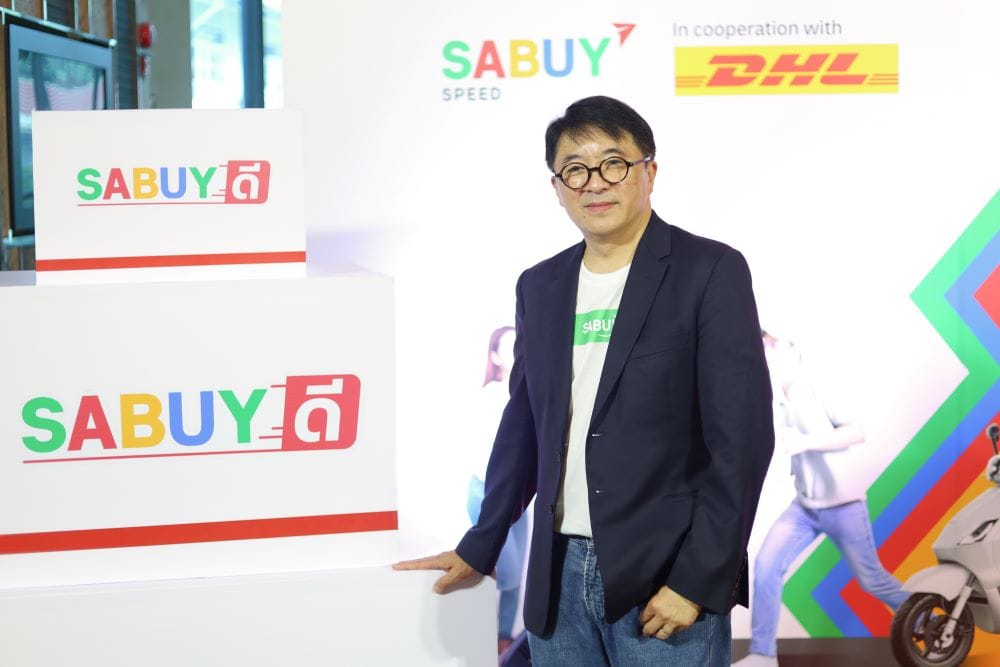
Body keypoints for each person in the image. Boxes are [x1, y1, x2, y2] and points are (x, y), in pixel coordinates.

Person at [395, 96, 774, 666]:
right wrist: (483, 541)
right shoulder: (540, 285)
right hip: (558, 578)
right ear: (557, 186)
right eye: (575, 169)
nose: (594, 182)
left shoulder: (709, 271)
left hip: (664, 576)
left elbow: (742, 442)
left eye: (613, 163)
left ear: (649, 171)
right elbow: (524, 426)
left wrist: (698, 579)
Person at [733, 332, 909, 667]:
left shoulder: (817, 387)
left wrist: (805, 442)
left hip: (844, 506)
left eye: (772, 343)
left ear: (791, 348)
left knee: (873, 581)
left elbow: (856, 431)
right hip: (804, 508)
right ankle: (762, 655)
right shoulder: (774, 397)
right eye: (763, 345)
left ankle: (932, 619)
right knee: (766, 567)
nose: (767, 351)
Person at [467, 325, 529, 653]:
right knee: (506, 574)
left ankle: (502, 643)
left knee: (515, 579)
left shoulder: (528, 391)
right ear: (495, 356)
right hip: (488, 495)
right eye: (509, 345)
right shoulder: (492, 395)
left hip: (519, 497)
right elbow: (484, 455)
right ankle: (485, 640)